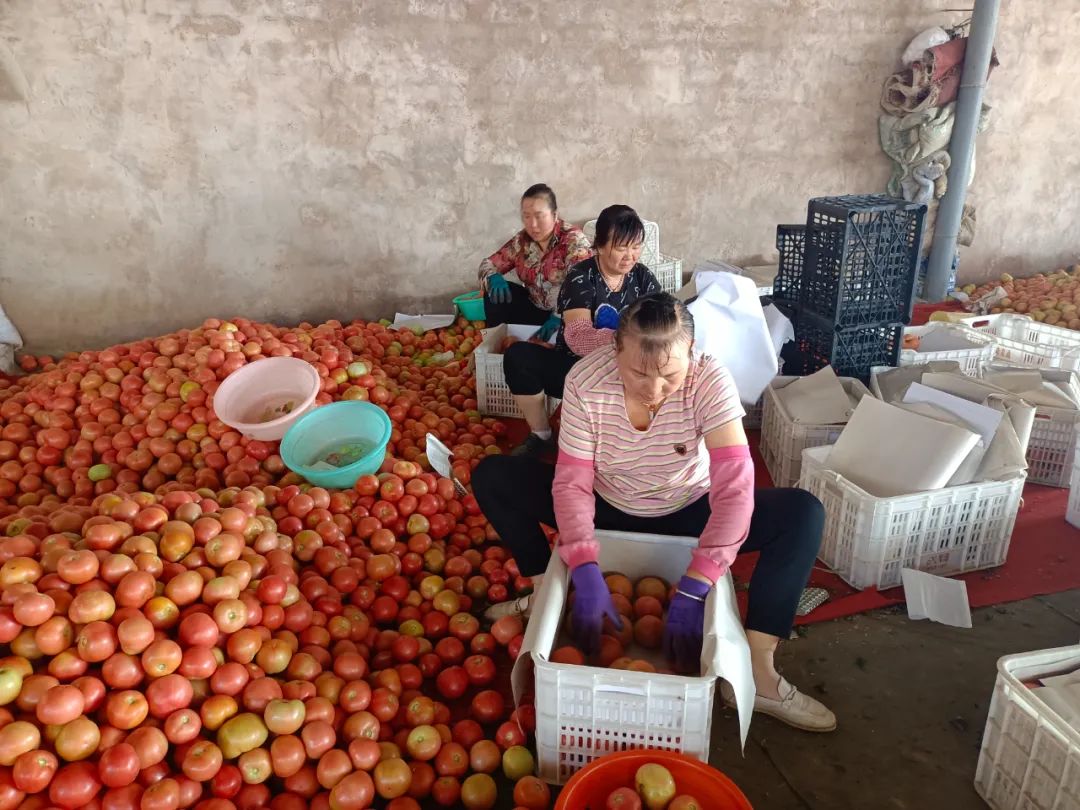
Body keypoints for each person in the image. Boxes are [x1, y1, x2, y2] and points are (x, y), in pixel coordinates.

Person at [473, 293, 836, 733]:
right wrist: (583, 565)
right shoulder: (587, 381)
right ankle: (542, 590)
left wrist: (699, 580)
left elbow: (736, 489)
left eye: (669, 375)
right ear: (614, 352)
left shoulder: (710, 380)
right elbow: (571, 484)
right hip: (609, 506)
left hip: (687, 507)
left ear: (692, 354)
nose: (653, 389)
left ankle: (758, 671)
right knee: (494, 475)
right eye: (637, 373)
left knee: (802, 514)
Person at [504, 204, 661, 457]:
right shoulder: (581, 277)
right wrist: (632, 342)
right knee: (518, 358)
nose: (630, 256)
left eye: (636, 246)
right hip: (577, 371)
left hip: (627, 373)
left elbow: (664, 319)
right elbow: (579, 337)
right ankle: (541, 435)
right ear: (599, 246)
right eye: (621, 247)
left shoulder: (642, 277)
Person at [478, 184, 592, 332]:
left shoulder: (573, 240)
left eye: (539, 216)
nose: (533, 224)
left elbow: (581, 285)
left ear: (554, 215)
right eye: (526, 216)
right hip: (535, 307)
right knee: (495, 292)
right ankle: (496, 343)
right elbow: (488, 263)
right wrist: (492, 276)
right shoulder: (522, 241)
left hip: (568, 313)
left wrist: (559, 315)